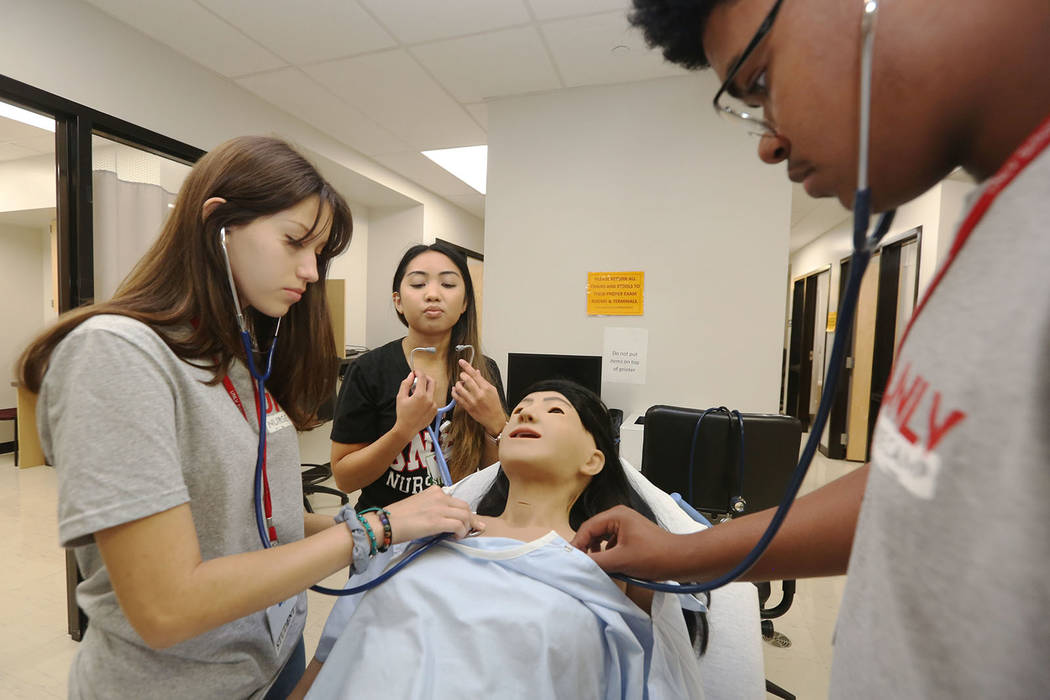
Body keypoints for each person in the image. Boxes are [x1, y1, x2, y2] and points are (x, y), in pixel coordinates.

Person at [571, 1, 1050, 697]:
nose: (767, 142)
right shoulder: (1005, 218)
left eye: (759, 82)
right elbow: (921, 482)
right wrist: (682, 553)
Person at [18, 135, 479, 699]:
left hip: (274, 652)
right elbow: (167, 606)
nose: (312, 272)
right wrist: (377, 526)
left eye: (319, 254)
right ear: (218, 225)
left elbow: (258, 527)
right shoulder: (115, 354)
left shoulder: (237, 363)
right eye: (295, 243)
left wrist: (397, 524)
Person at [293, 380, 712, 699]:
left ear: (594, 459)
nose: (526, 416)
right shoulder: (436, 522)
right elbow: (335, 650)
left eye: (555, 411)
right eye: (522, 409)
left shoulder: (611, 561)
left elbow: (654, 668)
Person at [330, 241, 507, 508]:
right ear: (398, 302)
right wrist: (403, 431)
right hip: (387, 531)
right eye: (418, 284)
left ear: (464, 303)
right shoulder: (368, 370)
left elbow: (496, 474)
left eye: (447, 285)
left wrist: (496, 425)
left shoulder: (483, 371)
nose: (433, 294)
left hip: (458, 525)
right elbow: (345, 479)